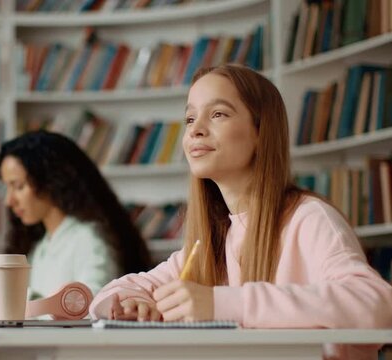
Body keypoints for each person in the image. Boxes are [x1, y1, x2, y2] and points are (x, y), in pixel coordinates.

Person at [89, 65, 392, 359]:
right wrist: (136, 302)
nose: (196, 130)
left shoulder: (310, 218)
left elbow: (377, 304)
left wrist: (221, 304)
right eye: (190, 118)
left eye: (218, 114)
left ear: (261, 132)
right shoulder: (214, 240)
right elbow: (109, 295)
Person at [0, 130, 152, 312]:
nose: (9, 201)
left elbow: (91, 308)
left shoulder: (89, 240)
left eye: (18, 186)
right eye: (6, 188)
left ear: (51, 181)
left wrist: (0, 301)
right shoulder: (42, 245)